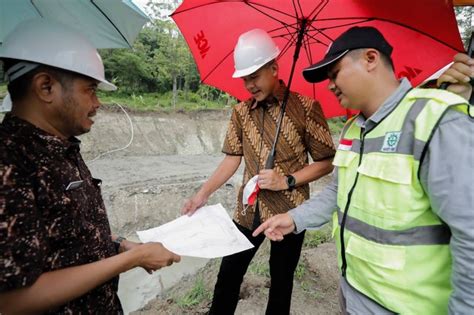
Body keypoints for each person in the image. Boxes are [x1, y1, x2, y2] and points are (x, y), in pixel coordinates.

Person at [254, 26, 473, 314]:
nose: (330, 85)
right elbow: (337, 191)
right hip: (353, 293)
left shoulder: (434, 121)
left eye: (335, 74)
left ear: (371, 59)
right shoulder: (352, 129)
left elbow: (469, 234)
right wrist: (294, 219)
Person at [0, 19, 180, 314]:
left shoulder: (60, 146)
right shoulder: (10, 164)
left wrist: (122, 245)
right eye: (90, 90)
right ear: (46, 87)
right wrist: (131, 260)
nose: (97, 103)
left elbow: (65, 233)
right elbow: (10, 300)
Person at [181, 28, 335, 314]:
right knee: (228, 274)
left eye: (255, 76)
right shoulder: (241, 112)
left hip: (289, 211)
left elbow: (326, 162)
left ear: (274, 68)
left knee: (281, 281)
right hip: (248, 210)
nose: (249, 85)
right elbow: (232, 159)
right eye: (244, 78)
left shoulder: (306, 107)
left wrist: (287, 180)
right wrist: (202, 194)